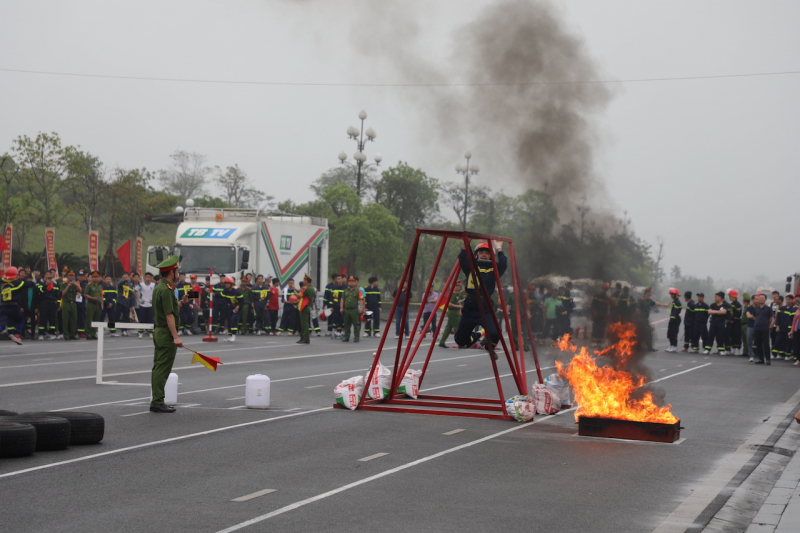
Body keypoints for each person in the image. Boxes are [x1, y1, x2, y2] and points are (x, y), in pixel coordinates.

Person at [149, 256, 189, 413]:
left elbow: (171, 309)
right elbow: (169, 316)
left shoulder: (162, 288)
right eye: (177, 271)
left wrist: (183, 302)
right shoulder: (166, 290)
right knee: (162, 368)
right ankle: (157, 401)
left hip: (161, 331)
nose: (178, 273)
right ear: (172, 272)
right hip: (165, 332)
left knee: (159, 366)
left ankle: (158, 399)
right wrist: (176, 337)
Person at [453, 240, 507, 355]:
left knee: (496, 333)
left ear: (491, 255)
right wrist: (465, 243)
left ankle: (489, 346)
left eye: (487, 253)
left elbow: (503, 263)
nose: (484, 254)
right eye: (481, 252)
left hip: (485, 307)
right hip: (470, 307)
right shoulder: (471, 266)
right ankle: (478, 334)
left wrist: (498, 248)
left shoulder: (494, 269)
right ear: (477, 253)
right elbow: (462, 258)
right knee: (460, 340)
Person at [0, 267, 27, 345]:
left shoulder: (3, 284)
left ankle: (9, 332)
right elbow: (29, 284)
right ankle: (17, 335)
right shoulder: (17, 283)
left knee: (2, 323)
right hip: (13, 306)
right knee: (20, 320)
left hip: (3, 306)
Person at [749, 293, 773, 365]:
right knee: (758, 344)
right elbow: (754, 317)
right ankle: (761, 359)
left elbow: (770, 318)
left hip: (765, 328)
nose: (761, 299)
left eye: (762, 298)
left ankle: (768, 359)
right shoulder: (756, 308)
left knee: (766, 344)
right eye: (760, 298)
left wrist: (766, 323)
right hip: (757, 328)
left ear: (765, 300)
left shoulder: (768, 309)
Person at [439, 281, 464, 348]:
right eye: (458, 286)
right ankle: (461, 343)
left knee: (448, 328)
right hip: (453, 312)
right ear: (455, 286)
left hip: (453, 312)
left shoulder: (454, 294)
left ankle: (442, 342)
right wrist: (459, 307)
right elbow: (449, 303)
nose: (459, 287)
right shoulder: (452, 294)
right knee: (458, 328)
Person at [37, 270, 61, 340]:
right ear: (44, 276)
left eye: (49, 274)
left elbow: (58, 295)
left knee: (52, 319)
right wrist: (45, 285)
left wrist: (58, 305)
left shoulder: (55, 285)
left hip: (52, 303)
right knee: (43, 319)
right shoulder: (41, 284)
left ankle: (52, 333)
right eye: (47, 274)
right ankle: (41, 334)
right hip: (44, 303)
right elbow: (39, 292)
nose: (48, 276)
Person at [340, 275, 364, 342]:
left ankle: (356, 337)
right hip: (346, 310)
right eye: (350, 282)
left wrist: (361, 308)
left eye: (353, 282)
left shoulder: (358, 291)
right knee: (346, 324)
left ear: (355, 283)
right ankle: (346, 337)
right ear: (348, 283)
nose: (351, 283)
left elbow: (361, 300)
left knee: (356, 324)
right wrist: (341, 308)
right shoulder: (345, 291)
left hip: (354, 310)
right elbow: (342, 299)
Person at [60, 271, 81, 341]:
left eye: (72, 275)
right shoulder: (64, 284)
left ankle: (72, 334)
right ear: (67, 276)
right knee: (65, 319)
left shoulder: (76, 283)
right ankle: (66, 334)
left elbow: (80, 290)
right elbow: (63, 293)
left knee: (74, 319)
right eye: (70, 275)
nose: (71, 277)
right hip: (66, 303)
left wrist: (76, 285)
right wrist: (68, 285)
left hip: (73, 303)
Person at [221, 277, 242, 342]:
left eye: (228, 283)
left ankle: (233, 335)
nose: (226, 285)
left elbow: (242, 301)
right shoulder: (225, 291)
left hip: (237, 308)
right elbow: (220, 295)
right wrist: (212, 293)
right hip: (230, 307)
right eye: (226, 283)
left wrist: (238, 307)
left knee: (233, 320)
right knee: (229, 321)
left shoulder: (236, 292)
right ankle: (230, 336)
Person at [84, 271, 103, 340]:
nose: (95, 278)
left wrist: (102, 304)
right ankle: (88, 333)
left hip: (97, 304)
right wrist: (92, 298)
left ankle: (93, 333)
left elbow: (101, 295)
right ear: (91, 278)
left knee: (96, 319)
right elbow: (85, 294)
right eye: (94, 277)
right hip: (91, 304)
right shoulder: (88, 285)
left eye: (96, 277)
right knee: (89, 319)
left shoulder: (100, 286)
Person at [297, 274, 316, 344]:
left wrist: (294, 290)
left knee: (304, 324)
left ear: (306, 281)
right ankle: (303, 338)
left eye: (304, 280)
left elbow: (299, 295)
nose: (303, 281)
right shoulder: (311, 288)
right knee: (304, 323)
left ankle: (305, 338)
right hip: (307, 306)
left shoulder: (306, 288)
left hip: (304, 307)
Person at [137, 272, 156, 339]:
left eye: (149, 277)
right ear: (145, 278)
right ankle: (140, 332)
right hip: (143, 305)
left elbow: (158, 292)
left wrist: (154, 299)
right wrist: (139, 299)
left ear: (151, 278)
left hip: (150, 305)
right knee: (142, 319)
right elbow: (134, 291)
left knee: (150, 319)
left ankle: (150, 332)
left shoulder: (154, 285)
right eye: (147, 277)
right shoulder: (141, 285)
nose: (148, 279)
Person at [665, 288, 682, 352]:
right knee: (670, 333)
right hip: (672, 319)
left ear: (676, 295)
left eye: (672, 294)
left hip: (675, 320)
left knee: (674, 334)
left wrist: (672, 319)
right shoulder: (674, 301)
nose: (671, 295)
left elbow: (675, 312)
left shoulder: (677, 302)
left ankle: (674, 346)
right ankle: (671, 345)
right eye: (671, 294)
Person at [726, 290, 743, 355]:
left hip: (736, 323)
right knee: (732, 335)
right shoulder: (732, 304)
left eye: (731, 296)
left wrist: (733, 319)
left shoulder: (737, 304)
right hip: (731, 323)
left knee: (737, 335)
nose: (730, 297)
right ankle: (733, 348)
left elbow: (738, 314)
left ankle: (738, 349)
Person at [741, 293, 752, 359]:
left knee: (747, 339)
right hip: (743, 324)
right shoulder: (745, 307)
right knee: (744, 339)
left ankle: (746, 352)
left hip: (746, 324)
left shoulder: (748, 307)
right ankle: (745, 352)